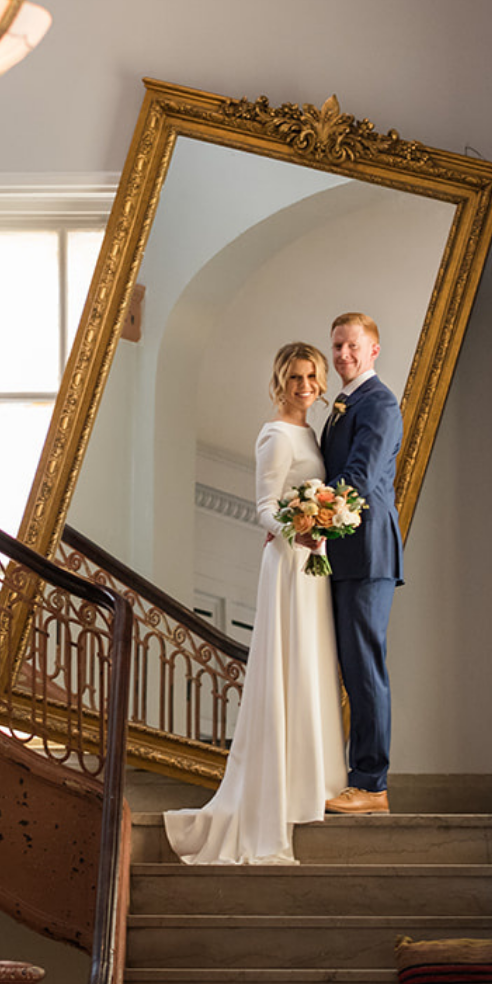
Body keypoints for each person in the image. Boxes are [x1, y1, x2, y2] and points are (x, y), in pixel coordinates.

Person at [164, 343, 347, 864]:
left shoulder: (312, 431)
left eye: (312, 375)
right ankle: (279, 792)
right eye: (295, 377)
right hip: (289, 564)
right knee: (288, 668)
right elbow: (264, 509)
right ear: (279, 381)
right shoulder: (275, 434)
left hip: (312, 563)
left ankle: (311, 781)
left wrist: (324, 526)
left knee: (311, 667)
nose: (305, 385)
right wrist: (303, 529)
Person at [320, 312, 404, 815]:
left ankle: (371, 785)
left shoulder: (379, 402)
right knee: (351, 667)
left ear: (373, 349)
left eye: (352, 346)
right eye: (336, 346)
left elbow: (360, 477)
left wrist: (310, 518)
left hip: (367, 552)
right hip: (343, 553)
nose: (343, 355)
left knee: (365, 668)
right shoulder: (345, 403)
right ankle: (352, 777)